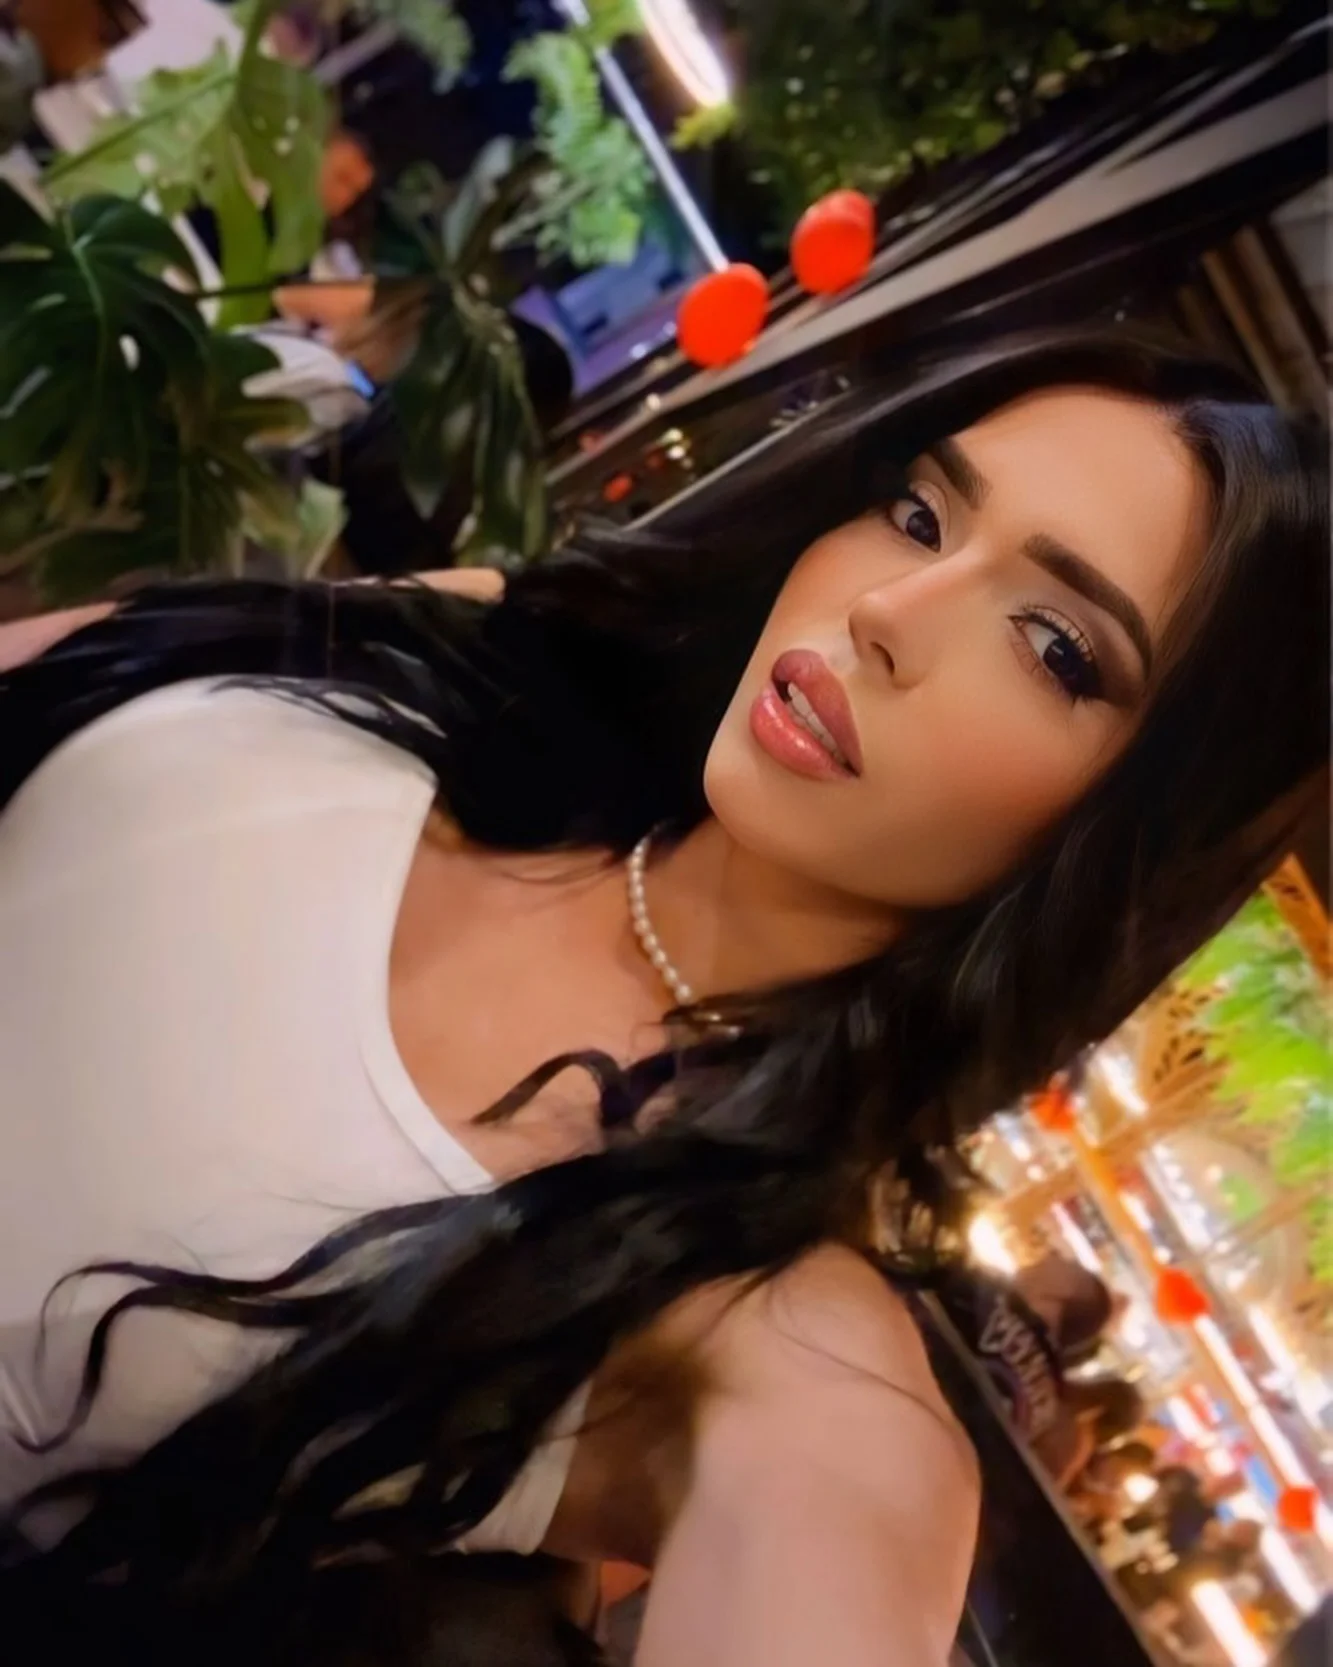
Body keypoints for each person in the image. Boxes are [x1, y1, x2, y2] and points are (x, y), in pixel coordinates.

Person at [0, 326, 1327, 1667]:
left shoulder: (744, 1315)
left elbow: (846, 1514)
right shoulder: (490, 653)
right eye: (921, 514)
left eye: (1054, 648)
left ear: (1132, 839)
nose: (891, 609)